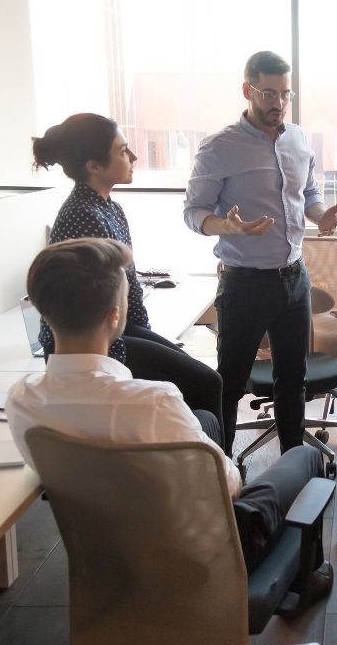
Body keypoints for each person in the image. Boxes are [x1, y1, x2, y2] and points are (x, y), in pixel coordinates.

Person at [6, 237, 330, 583]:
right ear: (116, 317)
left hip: (108, 559)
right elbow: (229, 485)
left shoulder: (22, 400)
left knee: (205, 419)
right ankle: (307, 579)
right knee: (304, 459)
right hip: (207, 556)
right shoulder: (154, 402)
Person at [183, 51, 337, 455]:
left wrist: (321, 216)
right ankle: (222, 466)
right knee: (230, 382)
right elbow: (194, 212)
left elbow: (308, 193)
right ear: (247, 90)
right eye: (269, 93)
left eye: (285, 94)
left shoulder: (298, 139)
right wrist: (226, 226)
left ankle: (295, 460)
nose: (278, 103)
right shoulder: (220, 147)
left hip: (294, 277)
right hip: (244, 283)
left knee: (294, 377)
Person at [32, 113, 222, 424]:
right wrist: (124, 371)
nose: (133, 157)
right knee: (206, 383)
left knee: (201, 377)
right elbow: (91, 310)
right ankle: (210, 465)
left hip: (117, 327)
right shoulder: (84, 216)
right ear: (94, 166)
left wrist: (148, 337)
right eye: (122, 150)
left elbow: (126, 288)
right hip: (92, 343)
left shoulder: (108, 207)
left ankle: (201, 451)